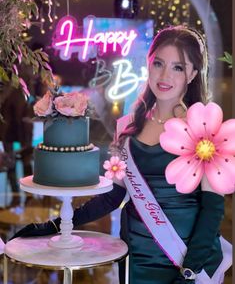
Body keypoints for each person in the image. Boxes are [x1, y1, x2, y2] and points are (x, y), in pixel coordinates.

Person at [12, 26, 226, 284]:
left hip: (186, 261)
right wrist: (56, 225)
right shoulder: (128, 127)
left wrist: (190, 270)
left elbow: (212, 209)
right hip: (138, 255)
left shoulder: (203, 127)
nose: (165, 75)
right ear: (148, 63)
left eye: (178, 67)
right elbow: (112, 197)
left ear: (192, 73)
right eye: (158, 63)